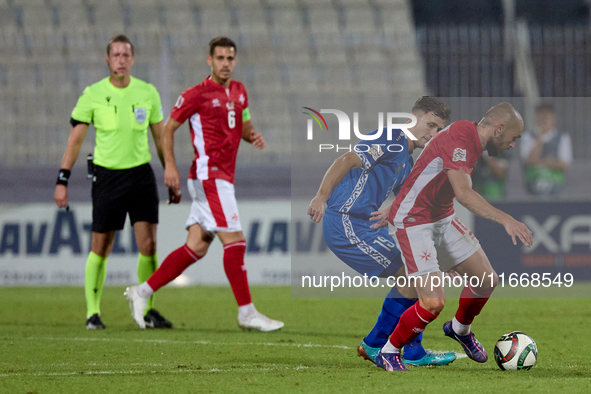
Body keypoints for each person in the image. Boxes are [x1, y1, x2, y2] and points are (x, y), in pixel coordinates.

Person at [124, 37, 284, 332]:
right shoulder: (195, 94)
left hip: (222, 177)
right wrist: (170, 166)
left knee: (196, 246)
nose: (225, 63)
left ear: (235, 61)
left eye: (230, 58)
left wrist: (253, 136)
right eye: (220, 58)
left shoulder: (239, 92)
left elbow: (244, 126)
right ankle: (247, 313)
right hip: (209, 176)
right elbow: (168, 129)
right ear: (209, 60)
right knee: (235, 242)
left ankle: (141, 292)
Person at [375, 103, 533, 372]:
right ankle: (389, 351)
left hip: (441, 217)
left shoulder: (468, 139)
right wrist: (506, 219)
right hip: (414, 222)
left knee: (486, 280)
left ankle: (460, 329)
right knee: (432, 303)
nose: (513, 145)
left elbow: (426, 167)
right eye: (514, 138)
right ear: (499, 129)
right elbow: (463, 193)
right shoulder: (461, 138)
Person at [307, 97, 456, 367]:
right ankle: (383, 345)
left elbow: (411, 209)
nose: (433, 134)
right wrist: (320, 196)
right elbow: (346, 160)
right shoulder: (391, 138)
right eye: (430, 125)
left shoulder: (407, 161)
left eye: (439, 130)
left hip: (364, 225)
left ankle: (400, 347)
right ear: (413, 118)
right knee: (413, 274)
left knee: (416, 273)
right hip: (346, 221)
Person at [54, 35, 176, 330]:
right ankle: (92, 313)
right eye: (116, 55)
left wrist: (169, 170)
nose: (121, 59)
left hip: (140, 175)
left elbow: (160, 137)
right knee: (101, 246)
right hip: (107, 176)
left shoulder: (147, 92)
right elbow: (75, 140)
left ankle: (147, 309)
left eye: (126, 54)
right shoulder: (93, 94)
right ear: (107, 60)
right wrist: (62, 179)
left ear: (133, 60)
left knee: (148, 244)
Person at [520, 102, 573, 199]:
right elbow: (529, 160)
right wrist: (539, 139)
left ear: (553, 117)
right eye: (541, 115)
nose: (544, 119)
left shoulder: (563, 137)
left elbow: (564, 163)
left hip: (556, 188)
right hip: (532, 189)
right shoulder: (527, 137)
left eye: (547, 116)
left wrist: (541, 162)